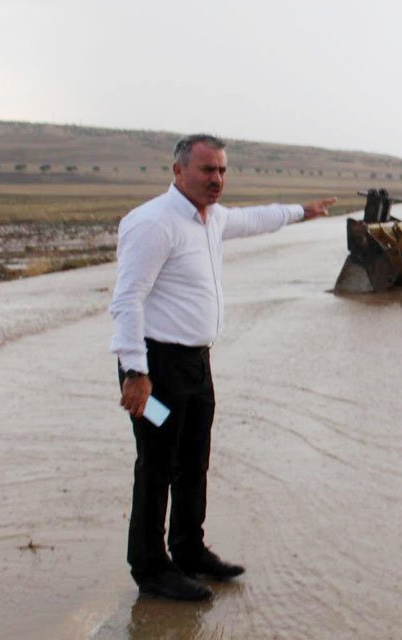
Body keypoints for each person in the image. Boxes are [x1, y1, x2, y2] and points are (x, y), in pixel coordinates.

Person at [109, 133, 336, 601]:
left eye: (223, 171)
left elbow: (257, 218)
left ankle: (189, 551)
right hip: (154, 370)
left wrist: (303, 210)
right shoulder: (154, 223)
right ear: (178, 172)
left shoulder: (211, 220)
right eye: (207, 170)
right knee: (156, 464)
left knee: (193, 460)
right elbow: (127, 299)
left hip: (195, 366)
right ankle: (151, 570)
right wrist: (135, 372)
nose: (217, 180)